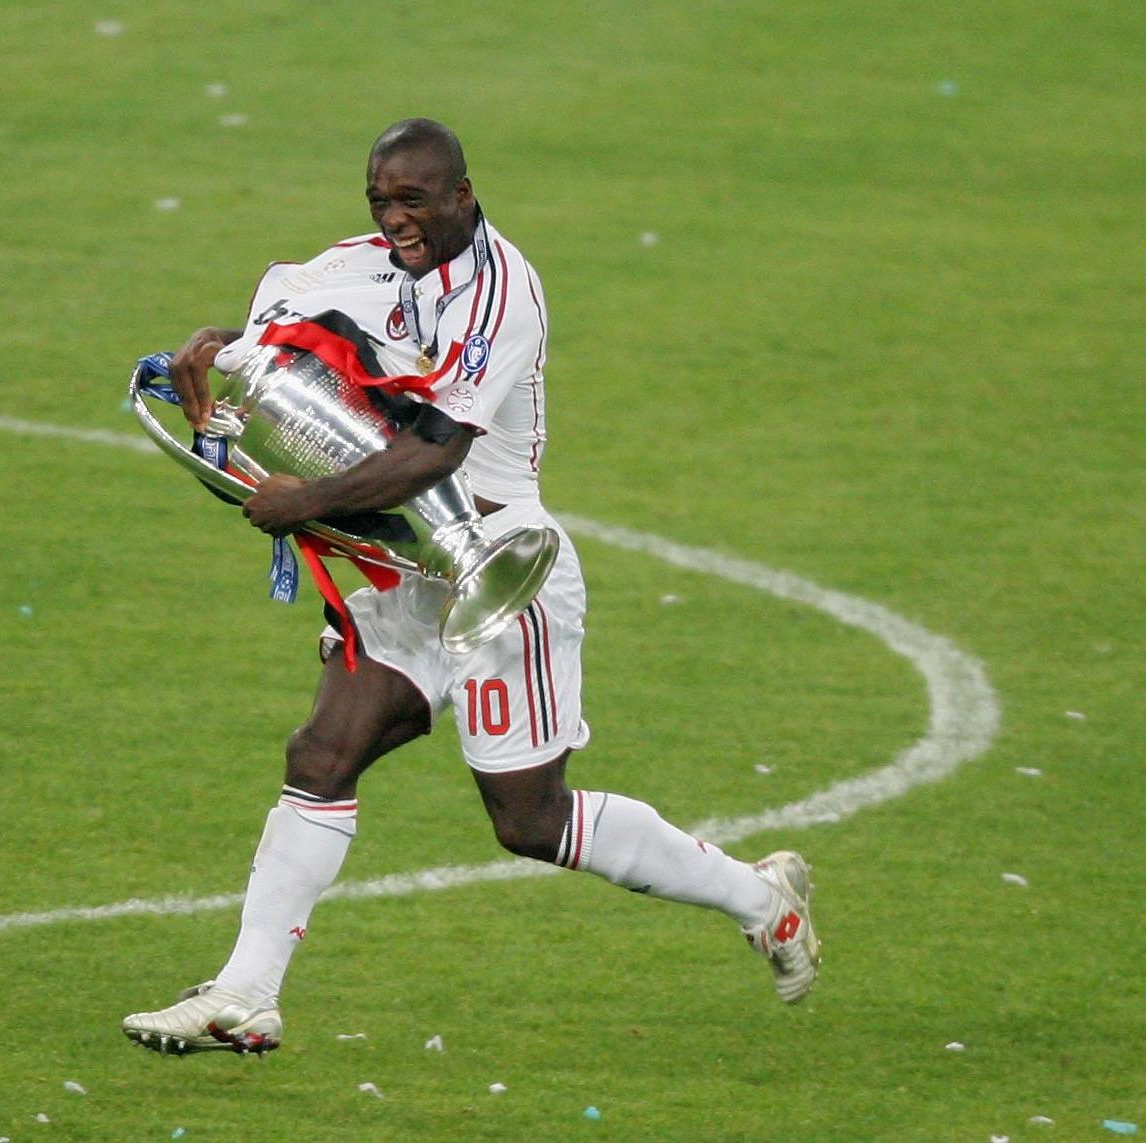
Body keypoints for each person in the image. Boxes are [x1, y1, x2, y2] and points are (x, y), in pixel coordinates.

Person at [122, 119, 820, 1057]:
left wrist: (307, 501)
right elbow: (276, 361)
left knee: (529, 820)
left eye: (414, 199)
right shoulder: (353, 266)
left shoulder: (502, 292)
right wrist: (214, 367)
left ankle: (760, 898)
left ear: (462, 193)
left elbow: (436, 449)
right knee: (322, 752)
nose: (396, 217)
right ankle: (245, 994)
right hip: (402, 567)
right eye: (381, 199)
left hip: (501, 563)